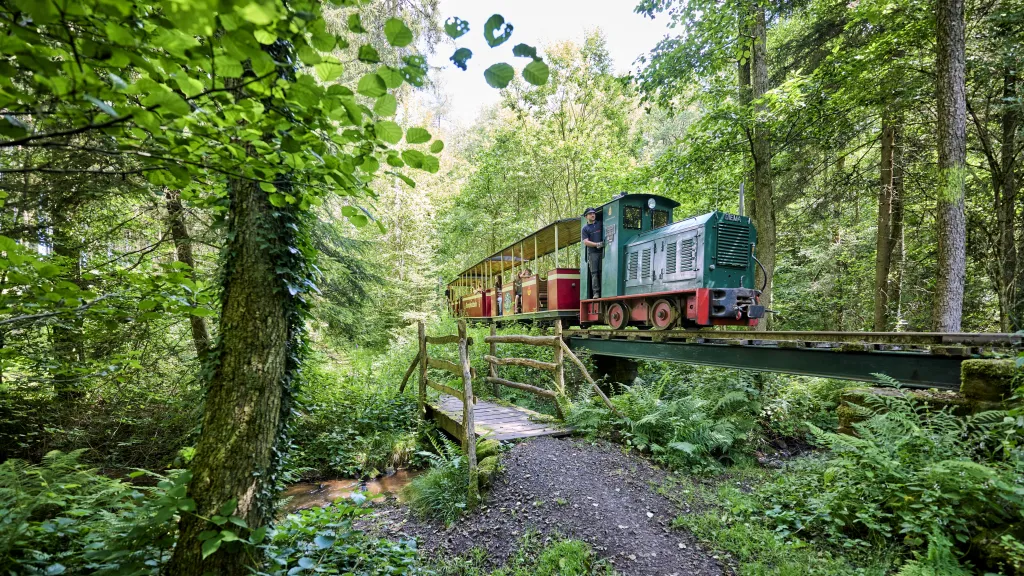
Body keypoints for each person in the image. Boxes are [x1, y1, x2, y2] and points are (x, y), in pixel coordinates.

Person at [581, 207, 603, 299]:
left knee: (603, 271)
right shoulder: (585, 229)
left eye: (594, 213)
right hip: (593, 253)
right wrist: (597, 244)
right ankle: (596, 293)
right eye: (590, 214)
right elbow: (585, 242)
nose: (593, 215)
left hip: (603, 251)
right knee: (594, 273)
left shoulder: (600, 224)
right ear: (586, 216)